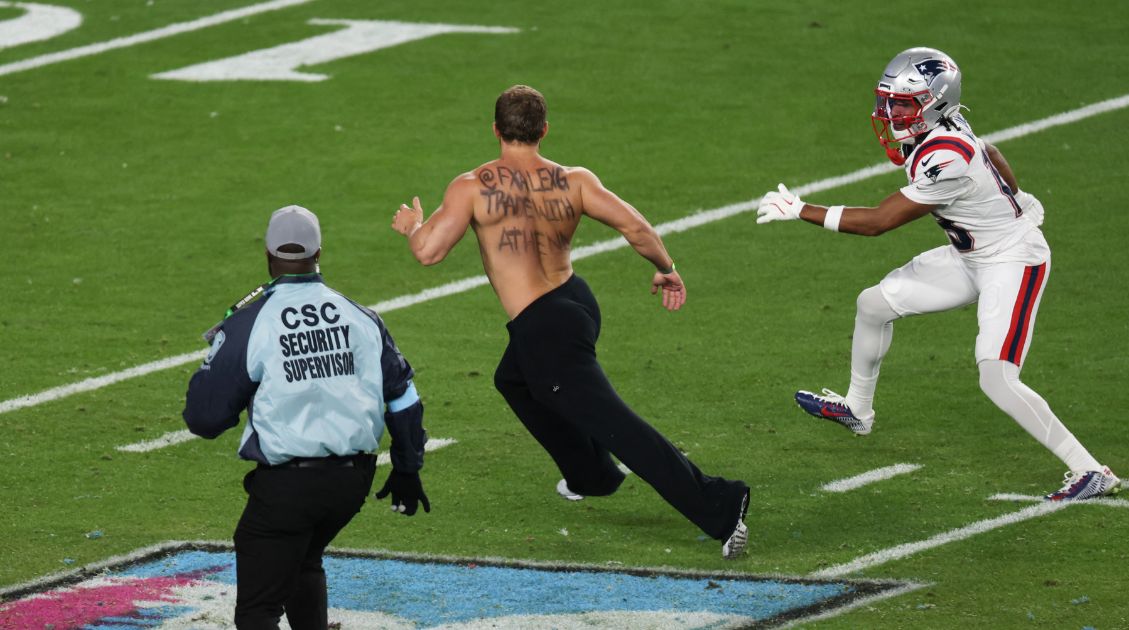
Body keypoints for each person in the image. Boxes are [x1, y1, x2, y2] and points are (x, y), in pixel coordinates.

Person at [388, 85, 750, 558]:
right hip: (575, 302)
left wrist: (412, 225)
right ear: (544, 130)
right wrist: (666, 268)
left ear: (495, 129)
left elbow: (428, 252)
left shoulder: (472, 186)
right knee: (514, 380)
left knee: (618, 426)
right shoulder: (574, 180)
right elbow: (635, 227)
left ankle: (721, 502)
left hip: (544, 328)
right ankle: (591, 474)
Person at [755, 47, 1121, 502]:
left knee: (996, 375)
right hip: (969, 256)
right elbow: (989, 148)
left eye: (903, 103)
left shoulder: (947, 154)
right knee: (873, 304)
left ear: (935, 103)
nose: (890, 113)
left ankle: (1089, 470)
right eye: (888, 101)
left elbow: (878, 222)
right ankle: (857, 409)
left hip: (1012, 260)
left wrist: (800, 210)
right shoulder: (943, 130)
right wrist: (1016, 195)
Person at [183, 205, 431, 629]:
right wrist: (408, 466)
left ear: (267, 255)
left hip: (289, 486)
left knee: (259, 605)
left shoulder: (251, 322)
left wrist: (220, 363)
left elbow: (205, 418)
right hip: (353, 481)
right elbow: (403, 396)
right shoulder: (361, 317)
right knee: (302, 559)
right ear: (320, 253)